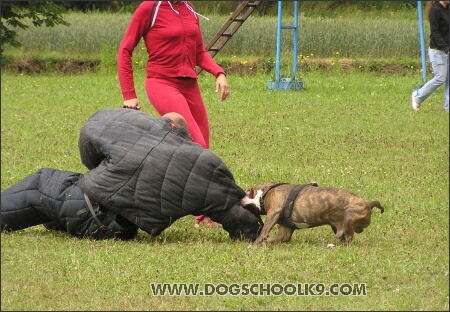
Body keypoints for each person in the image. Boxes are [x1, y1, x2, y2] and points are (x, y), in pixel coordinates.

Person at [1, 109, 263, 241]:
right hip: (123, 229)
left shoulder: (129, 127)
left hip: (93, 216)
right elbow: (234, 208)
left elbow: (89, 148)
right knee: (62, 193)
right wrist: (254, 234)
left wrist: (103, 171)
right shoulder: (207, 162)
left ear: (164, 125)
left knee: (42, 184)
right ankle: (56, 221)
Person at [117, 1, 231, 226]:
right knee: (195, 145)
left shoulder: (189, 8)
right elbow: (125, 49)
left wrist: (219, 72)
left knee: (203, 147)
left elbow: (199, 51)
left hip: (190, 85)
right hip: (161, 82)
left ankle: (199, 209)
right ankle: (202, 212)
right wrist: (129, 93)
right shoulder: (150, 7)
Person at [411, 1, 449, 112]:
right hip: (438, 51)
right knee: (440, 78)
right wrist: (445, 48)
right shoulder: (435, 10)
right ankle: (417, 96)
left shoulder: (448, 10)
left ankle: (448, 107)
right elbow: (435, 32)